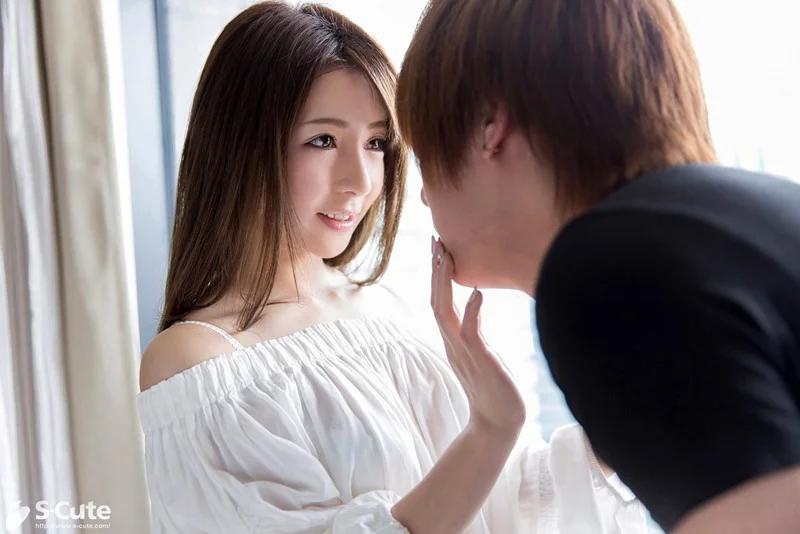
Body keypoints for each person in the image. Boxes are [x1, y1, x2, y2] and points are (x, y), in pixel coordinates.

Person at [136, 2, 650, 533]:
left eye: (377, 142)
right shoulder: (199, 360)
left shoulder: (385, 308)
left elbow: (502, 503)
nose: (361, 180)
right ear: (241, 147)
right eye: (323, 140)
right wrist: (491, 429)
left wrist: (643, 401)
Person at [396, 0, 800, 532]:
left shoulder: (607, 273)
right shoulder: (752, 211)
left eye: (423, 156)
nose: (424, 196)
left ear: (489, 125)